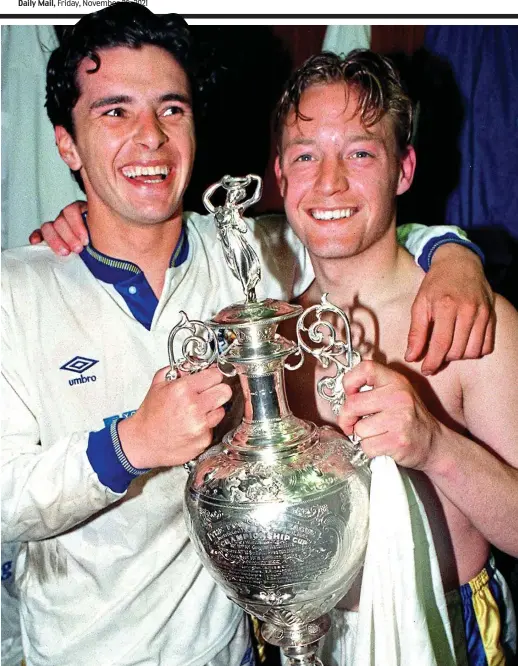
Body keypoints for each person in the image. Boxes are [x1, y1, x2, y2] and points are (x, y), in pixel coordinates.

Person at [1, 5, 496, 665]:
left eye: (171, 109)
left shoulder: (249, 253)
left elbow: (355, 225)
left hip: (232, 645)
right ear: (66, 143)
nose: (149, 136)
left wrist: (453, 253)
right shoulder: (16, 291)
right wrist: (128, 445)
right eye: (115, 112)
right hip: (80, 651)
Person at [273, 50, 517, 665]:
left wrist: (435, 446)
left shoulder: (472, 320)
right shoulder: (266, 337)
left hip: (444, 624)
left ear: (403, 169)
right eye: (306, 155)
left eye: (360, 152)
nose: (329, 182)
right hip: (304, 635)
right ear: (279, 176)